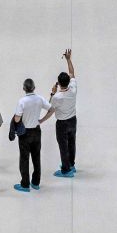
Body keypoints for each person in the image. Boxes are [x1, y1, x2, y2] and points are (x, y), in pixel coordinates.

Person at [12, 78, 50, 192]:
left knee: (24, 159)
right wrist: (41, 120)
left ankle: (25, 184)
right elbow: (52, 109)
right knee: (36, 157)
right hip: (36, 131)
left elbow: (17, 118)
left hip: (24, 133)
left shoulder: (22, 101)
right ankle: (35, 182)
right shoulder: (40, 99)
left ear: (24, 88)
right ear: (34, 87)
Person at [48, 49, 78, 177]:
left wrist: (52, 92)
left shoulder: (57, 97)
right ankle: (71, 164)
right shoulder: (73, 89)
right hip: (73, 120)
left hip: (62, 124)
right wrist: (68, 59)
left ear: (59, 83)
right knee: (72, 142)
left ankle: (65, 169)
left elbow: (50, 107)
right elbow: (72, 72)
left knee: (63, 146)